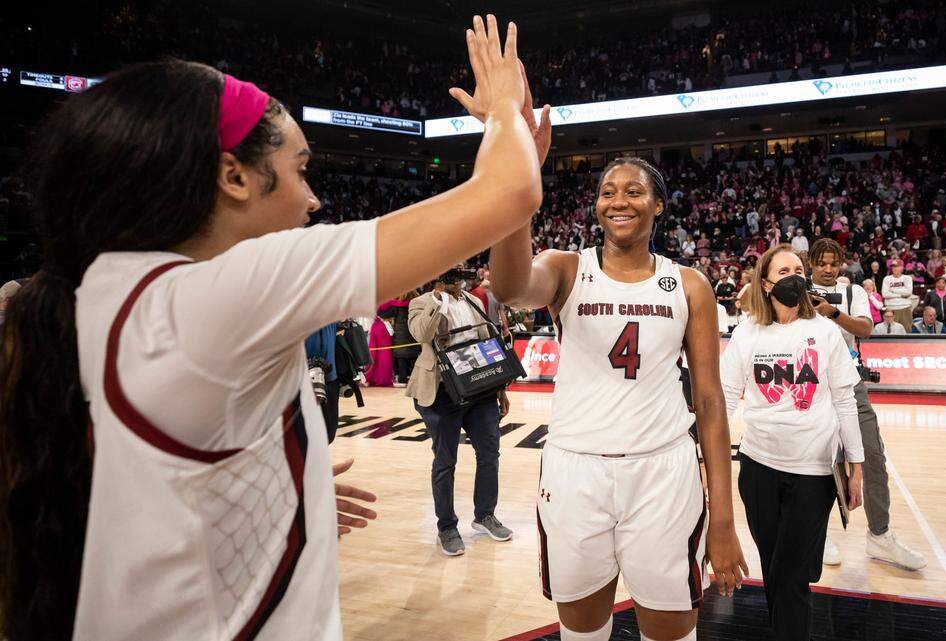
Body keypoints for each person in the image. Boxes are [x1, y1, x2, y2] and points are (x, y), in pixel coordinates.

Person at [0, 16, 543, 640]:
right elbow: (509, 192)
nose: (313, 200)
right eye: (301, 170)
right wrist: (505, 108)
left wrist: (276, 495)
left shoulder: (91, 291)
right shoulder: (227, 291)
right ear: (234, 178)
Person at [487, 156, 748, 641]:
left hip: (663, 474)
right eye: (608, 191)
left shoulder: (689, 285)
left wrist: (724, 521)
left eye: (633, 191)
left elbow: (710, 405)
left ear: (658, 205)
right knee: (581, 631)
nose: (618, 201)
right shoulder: (566, 268)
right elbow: (509, 287)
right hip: (575, 474)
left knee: (669, 631)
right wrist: (517, 178)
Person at [722, 244, 865, 641]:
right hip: (757, 468)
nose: (795, 276)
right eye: (784, 270)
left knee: (790, 575)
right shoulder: (746, 331)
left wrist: (856, 467)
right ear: (766, 283)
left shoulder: (823, 331)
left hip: (812, 472)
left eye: (798, 269)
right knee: (776, 568)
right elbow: (727, 397)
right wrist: (706, 456)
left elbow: (844, 399)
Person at [806, 239, 925, 571]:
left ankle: (880, 535)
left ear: (842, 263)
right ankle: (817, 536)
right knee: (818, 463)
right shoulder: (797, 288)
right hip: (808, 383)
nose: (828, 269)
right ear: (811, 263)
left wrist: (831, 311)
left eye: (834, 263)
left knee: (872, 456)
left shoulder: (852, 292)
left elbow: (865, 329)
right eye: (822, 263)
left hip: (848, 381)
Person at [408, 270, 512, 556]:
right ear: (438, 277)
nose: (457, 280)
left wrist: (501, 389)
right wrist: (438, 297)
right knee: (445, 462)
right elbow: (423, 334)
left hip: (479, 389)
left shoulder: (473, 301)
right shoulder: (421, 303)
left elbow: (487, 343)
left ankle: (485, 515)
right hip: (441, 392)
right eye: (449, 275)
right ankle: (446, 526)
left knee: (490, 454)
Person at [305, 322, 342, 441]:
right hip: (304, 379)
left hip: (330, 377)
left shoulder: (331, 311)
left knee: (329, 432)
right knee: (308, 432)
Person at [384, 291, 419, 386]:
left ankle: (402, 380)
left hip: (401, 338)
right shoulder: (417, 305)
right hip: (414, 335)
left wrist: (389, 302)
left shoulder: (397, 307)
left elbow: (383, 314)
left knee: (402, 359)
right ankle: (414, 380)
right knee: (415, 359)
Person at [365, 302, 396, 387]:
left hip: (376, 326)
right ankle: (383, 378)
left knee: (375, 354)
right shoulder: (390, 301)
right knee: (385, 354)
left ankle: (373, 377)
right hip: (384, 327)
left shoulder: (377, 299)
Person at [881, 259, 915, 331]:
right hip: (891, 309)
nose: (894, 268)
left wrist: (893, 290)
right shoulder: (887, 279)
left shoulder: (907, 278)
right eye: (893, 267)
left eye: (896, 266)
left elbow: (908, 292)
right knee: (891, 332)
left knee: (907, 331)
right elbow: (885, 294)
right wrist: (901, 295)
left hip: (905, 308)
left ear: (902, 267)